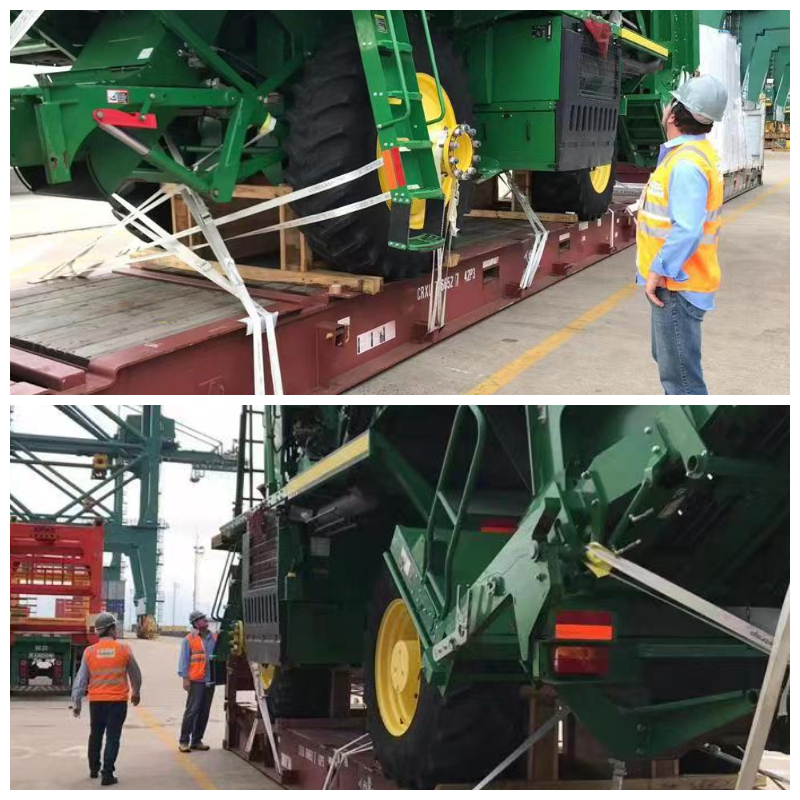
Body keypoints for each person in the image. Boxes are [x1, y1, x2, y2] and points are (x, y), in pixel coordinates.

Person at [636, 73, 728, 395]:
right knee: (669, 363)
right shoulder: (691, 156)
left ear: (673, 114)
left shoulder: (686, 164)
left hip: (676, 285)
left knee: (681, 383)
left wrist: (658, 271)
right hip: (679, 282)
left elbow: (687, 229)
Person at [71, 612, 142, 786]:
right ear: (111, 629)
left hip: (96, 702)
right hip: (117, 702)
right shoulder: (124, 649)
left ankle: (94, 769)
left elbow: (80, 680)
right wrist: (136, 692)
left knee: (95, 734)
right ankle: (108, 774)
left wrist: (77, 702)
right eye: (115, 627)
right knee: (112, 737)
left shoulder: (89, 651)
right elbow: (136, 674)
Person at [178, 610, 218, 753]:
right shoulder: (189, 639)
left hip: (210, 680)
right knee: (192, 711)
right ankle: (184, 741)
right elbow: (184, 660)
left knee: (204, 712)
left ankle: (196, 740)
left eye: (205, 618)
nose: (205, 621)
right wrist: (185, 679)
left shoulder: (214, 637)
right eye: (202, 619)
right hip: (196, 680)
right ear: (195, 623)